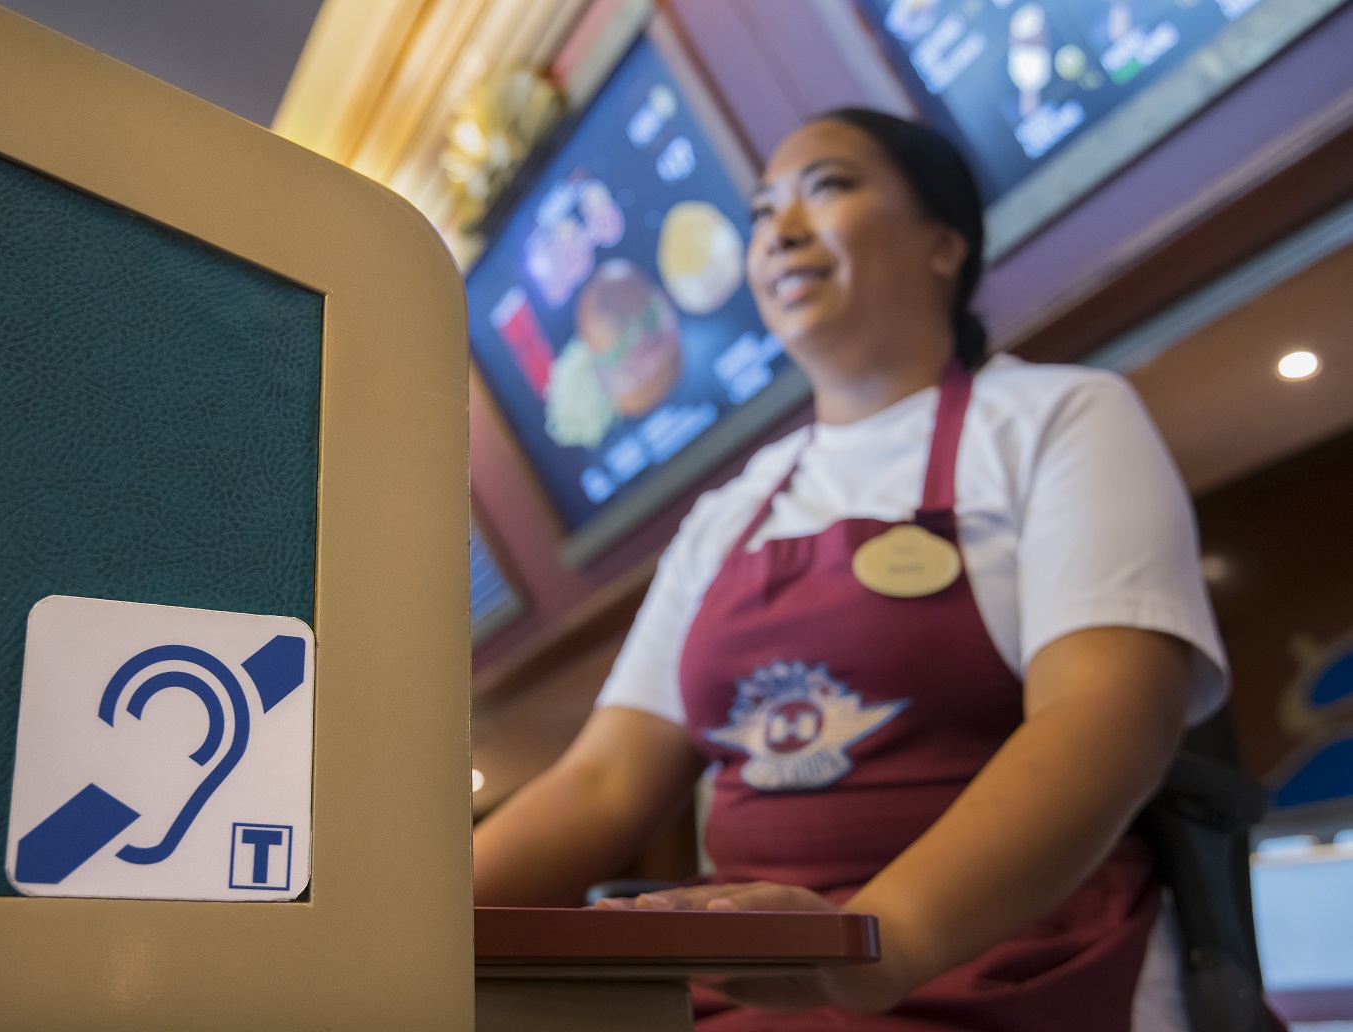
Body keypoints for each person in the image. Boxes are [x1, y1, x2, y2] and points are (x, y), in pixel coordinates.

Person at [473, 108, 1226, 1031]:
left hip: (1007, 960)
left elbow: (1109, 717)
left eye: (826, 187)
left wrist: (879, 939)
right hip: (757, 976)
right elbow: (602, 783)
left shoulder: (1059, 416)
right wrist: (390, 919)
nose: (779, 231)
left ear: (945, 244)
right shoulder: (729, 511)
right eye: (761, 211)